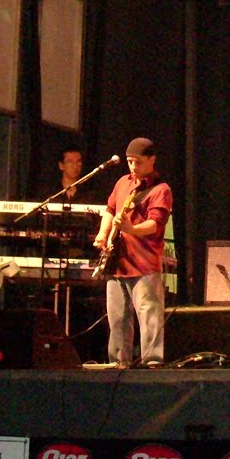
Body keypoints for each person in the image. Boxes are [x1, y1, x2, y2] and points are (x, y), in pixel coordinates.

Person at [93, 137, 173, 367]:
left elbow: (155, 224)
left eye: (138, 162)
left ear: (151, 160)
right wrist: (102, 233)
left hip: (143, 263)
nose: (133, 166)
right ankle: (119, 364)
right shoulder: (122, 183)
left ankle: (152, 363)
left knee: (149, 317)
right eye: (129, 161)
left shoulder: (161, 190)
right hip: (117, 262)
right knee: (117, 319)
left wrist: (132, 229)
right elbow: (110, 210)